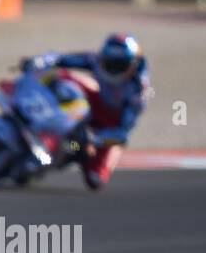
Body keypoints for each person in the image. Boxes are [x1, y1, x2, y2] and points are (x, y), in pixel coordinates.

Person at [20, 33, 150, 190]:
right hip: (89, 108)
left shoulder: (138, 92)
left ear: (133, 64)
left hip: (107, 129)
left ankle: (74, 152)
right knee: (66, 79)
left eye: (120, 64)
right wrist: (39, 61)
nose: (113, 69)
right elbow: (61, 59)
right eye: (110, 63)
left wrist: (95, 139)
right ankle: (37, 120)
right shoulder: (95, 60)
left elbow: (122, 134)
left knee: (95, 179)